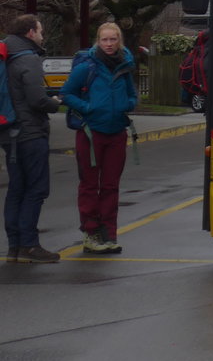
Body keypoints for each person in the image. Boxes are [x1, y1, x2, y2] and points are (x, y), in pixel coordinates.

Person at [61, 22, 139, 255]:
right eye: (104, 40)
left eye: (112, 40)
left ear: (119, 41)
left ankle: (109, 234)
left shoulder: (125, 65)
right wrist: (88, 108)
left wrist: (129, 104)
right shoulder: (87, 66)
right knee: (89, 184)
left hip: (116, 132)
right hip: (91, 133)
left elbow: (132, 94)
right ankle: (92, 234)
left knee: (111, 186)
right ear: (98, 40)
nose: (108, 44)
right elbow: (66, 93)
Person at [3, 14, 63, 264]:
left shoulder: (7, 56)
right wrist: (55, 104)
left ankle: (14, 247)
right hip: (30, 133)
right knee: (36, 189)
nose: (42, 35)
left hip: (9, 133)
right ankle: (30, 244)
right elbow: (37, 99)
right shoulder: (28, 59)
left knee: (16, 189)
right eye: (40, 31)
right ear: (30, 32)